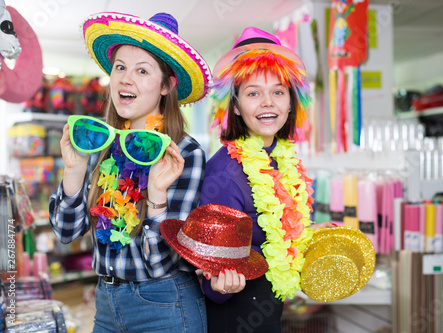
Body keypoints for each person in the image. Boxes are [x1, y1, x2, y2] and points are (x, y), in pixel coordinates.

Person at [48, 12, 211, 333]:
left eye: (142, 71)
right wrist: (74, 170)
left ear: (167, 85)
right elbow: (66, 233)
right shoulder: (100, 143)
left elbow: (163, 262)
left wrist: (158, 199)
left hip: (165, 304)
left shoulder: (183, 153)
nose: (126, 79)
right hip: (106, 302)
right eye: (120, 67)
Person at [200, 27, 334, 332]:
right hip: (233, 315)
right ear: (234, 106)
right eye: (253, 93)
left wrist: (308, 234)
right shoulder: (225, 173)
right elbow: (210, 266)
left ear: (290, 102)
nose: (268, 102)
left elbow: (273, 234)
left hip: (267, 309)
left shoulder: (280, 158)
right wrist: (219, 281)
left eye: (277, 91)